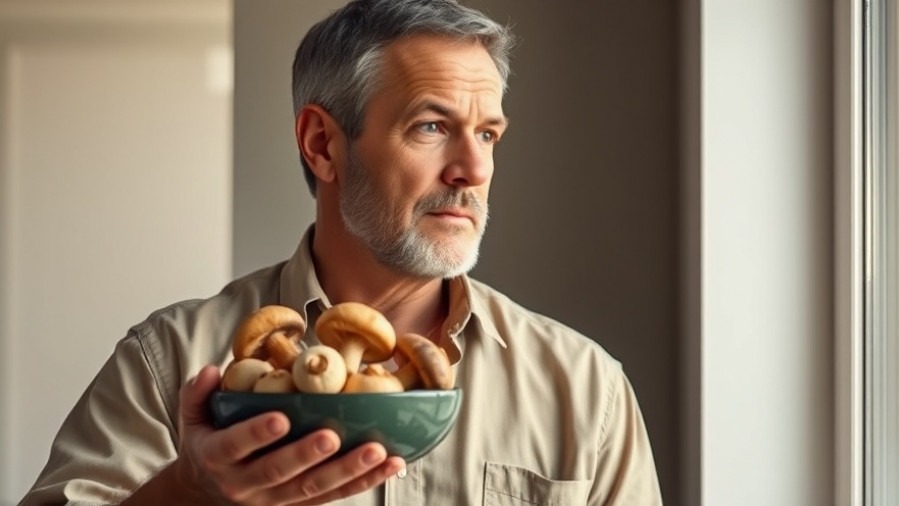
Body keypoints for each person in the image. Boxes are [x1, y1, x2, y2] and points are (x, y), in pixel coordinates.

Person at [20, 0, 663, 504]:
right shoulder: (166, 364)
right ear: (323, 145)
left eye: (488, 133)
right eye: (432, 127)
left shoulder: (586, 389)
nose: (472, 169)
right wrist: (186, 493)